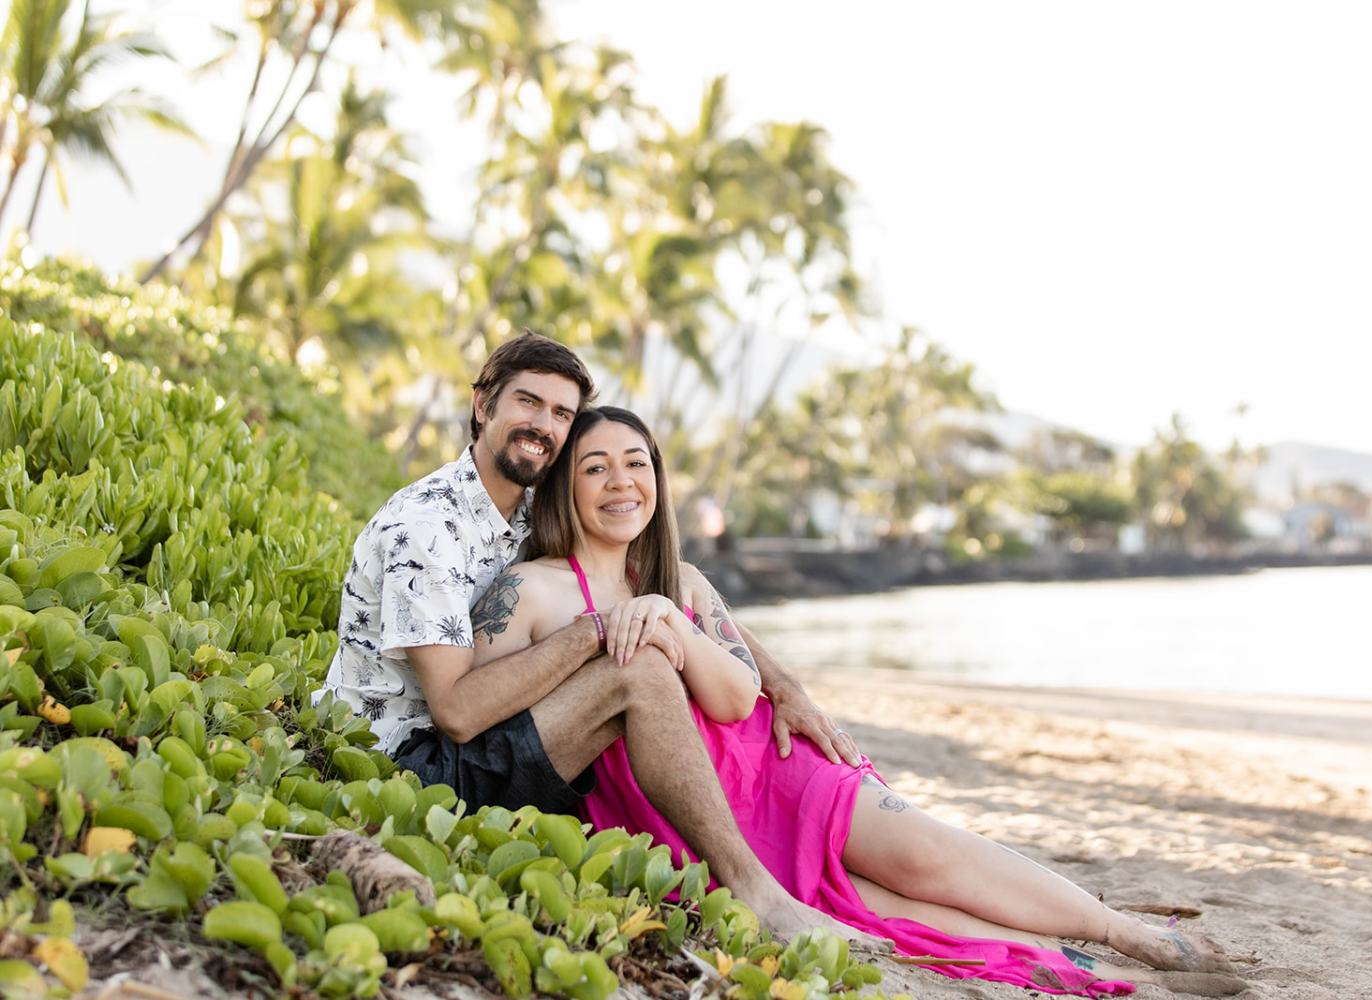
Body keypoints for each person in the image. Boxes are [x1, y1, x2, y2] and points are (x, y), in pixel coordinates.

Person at [470, 405, 1244, 998]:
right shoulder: (528, 591)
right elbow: (512, 727)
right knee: (873, 906)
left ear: (658, 481)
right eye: (595, 468)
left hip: (775, 771)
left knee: (927, 856)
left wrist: (671, 622)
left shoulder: (684, 585)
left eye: (635, 464)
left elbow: (738, 698)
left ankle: (1127, 932)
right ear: (566, 487)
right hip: (674, 804)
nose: (619, 483)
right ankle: (1055, 955)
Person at [316, 332, 866, 941]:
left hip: (484, 747)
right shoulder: (427, 528)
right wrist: (595, 633)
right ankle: (755, 893)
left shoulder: (523, 507)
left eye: (560, 413)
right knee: (637, 669)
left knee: (643, 652)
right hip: (405, 771)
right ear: (483, 406)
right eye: (527, 403)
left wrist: (782, 685)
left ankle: (768, 873)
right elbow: (455, 712)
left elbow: (646, 587)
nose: (542, 425)